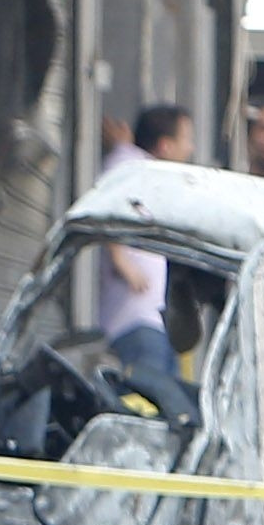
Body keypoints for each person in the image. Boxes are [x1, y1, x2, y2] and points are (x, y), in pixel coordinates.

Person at [94, 103, 196, 409]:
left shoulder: (145, 170)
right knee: (145, 405)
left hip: (152, 319)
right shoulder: (129, 164)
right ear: (165, 145)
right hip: (134, 317)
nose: (190, 149)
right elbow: (108, 206)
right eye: (186, 139)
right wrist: (119, 259)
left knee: (171, 405)